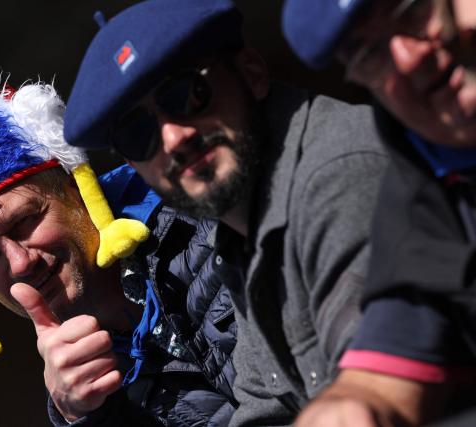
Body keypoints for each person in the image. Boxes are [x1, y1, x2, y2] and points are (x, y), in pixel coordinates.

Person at [63, 0, 390, 424]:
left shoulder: (337, 175)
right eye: (138, 133)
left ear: (251, 73)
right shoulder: (239, 228)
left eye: (185, 93)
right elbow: (264, 405)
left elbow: (373, 388)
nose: (174, 138)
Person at [0, 78, 239, 426]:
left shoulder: (210, 219)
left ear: (77, 191)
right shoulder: (71, 393)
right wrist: (86, 416)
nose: (20, 262)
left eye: (24, 221)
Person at [282, 0, 476, 425]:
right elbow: (387, 368)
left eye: (411, 10)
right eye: (370, 54)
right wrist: (346, 408)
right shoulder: (421, 186)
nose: (409, 57)